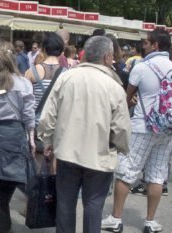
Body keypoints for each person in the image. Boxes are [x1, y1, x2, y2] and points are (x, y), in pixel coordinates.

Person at [39, 36, 131, 233]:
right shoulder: (113, 86)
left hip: (67, 151)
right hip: (99, 154)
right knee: (93, 205)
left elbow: (47, 116)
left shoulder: (67, 77)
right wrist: (121, 147)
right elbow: (121, 127)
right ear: (107, 57)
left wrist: (47, 140)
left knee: (65, 203)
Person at [102, 29, 172, 233]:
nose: (142, 46)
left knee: (126, 171)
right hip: (166, 127)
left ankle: (116, 218)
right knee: (156, 174)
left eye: (146, 42)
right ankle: (150, 221)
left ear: (155, 45)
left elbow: (126, 97)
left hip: (142, 126)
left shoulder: (142, 67)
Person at [0, 42, 35, 233]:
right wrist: (32, 140)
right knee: (5, 191)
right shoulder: (24, 84)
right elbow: (29, 117)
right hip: (15, 136)